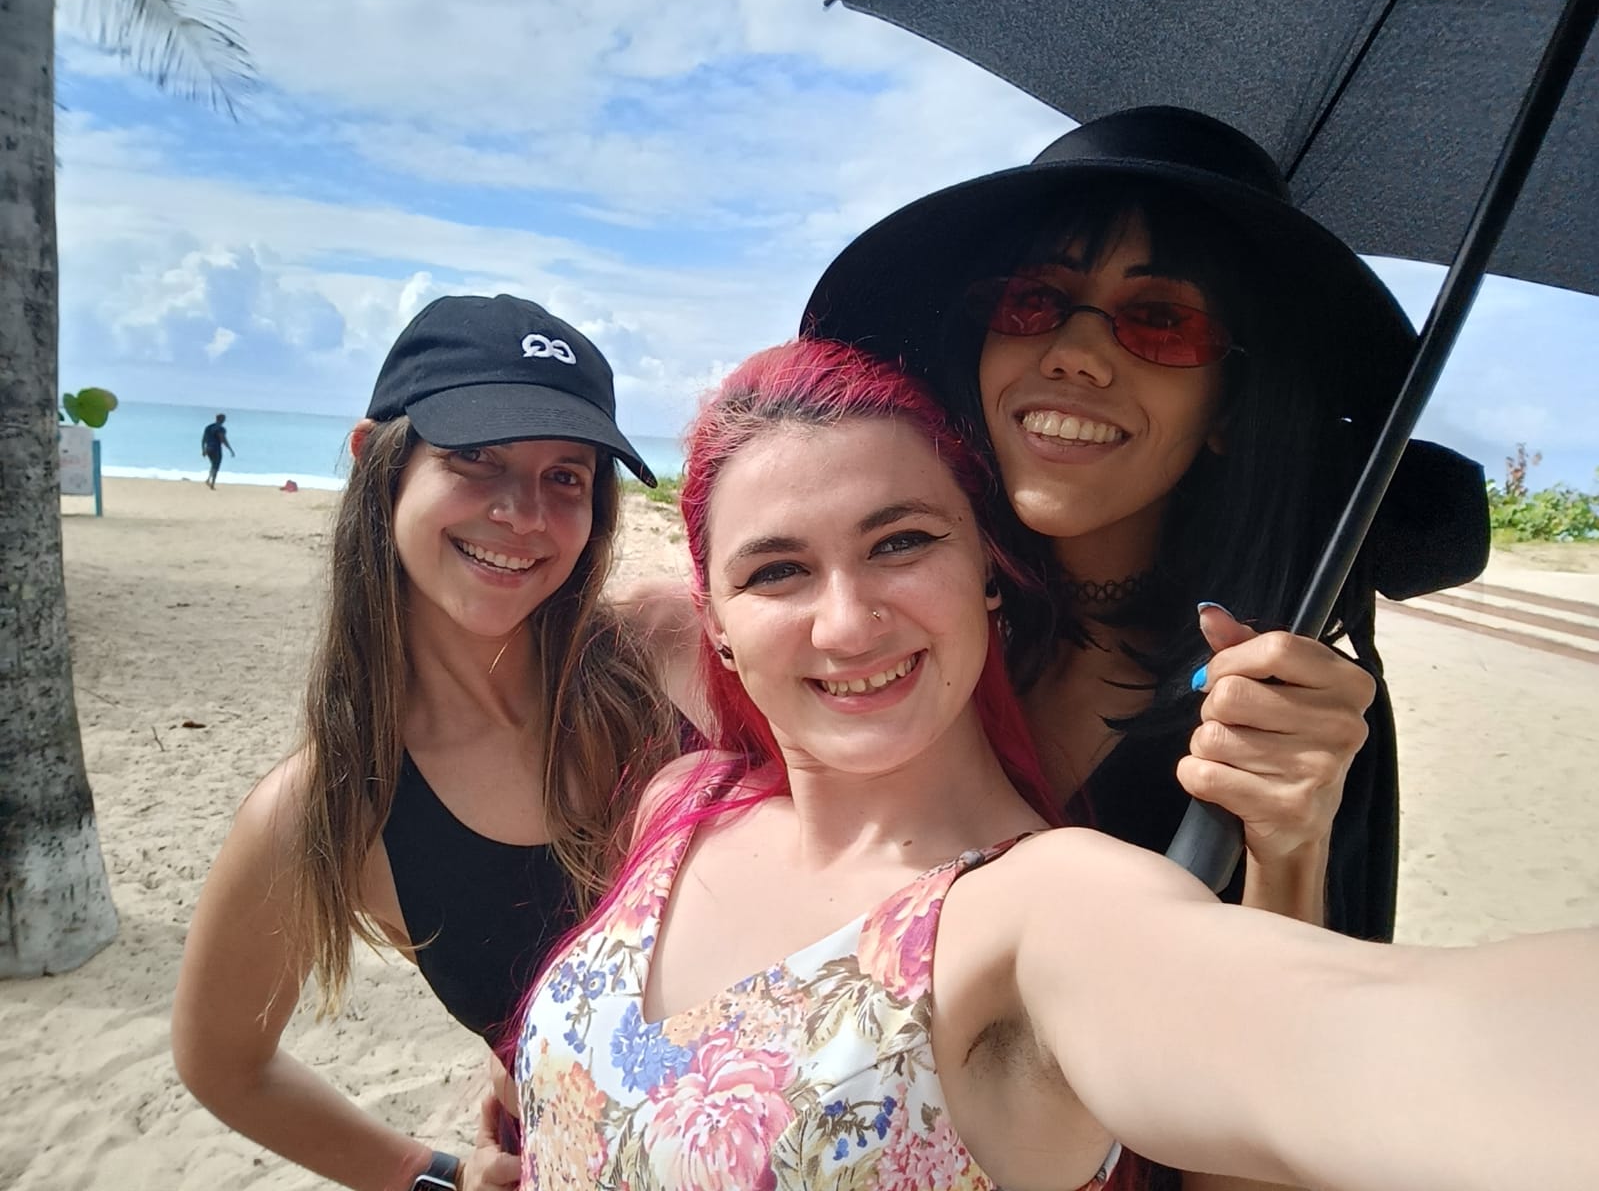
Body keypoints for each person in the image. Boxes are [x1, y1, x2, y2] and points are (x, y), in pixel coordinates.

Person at [506, 339, 1594, 1191]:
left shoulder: (1035, 916)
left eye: (901, 543)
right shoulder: (679, 801)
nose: (847, 624)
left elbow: (1380, 1038)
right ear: (719, 622)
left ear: (989, 568)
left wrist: (1290, 853)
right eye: (780, 570)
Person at [798, 105, 1491, 940]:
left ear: (1231, 407)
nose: (1073, 353)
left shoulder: (1282, 707)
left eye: (1160, 321)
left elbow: (1290, 1039)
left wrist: (1289, 844)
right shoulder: (897, 619)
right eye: (1033, 301)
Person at [171, 295, 679, 1191]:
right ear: (379, 460)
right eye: (475, 459)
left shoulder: (663, 656)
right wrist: (425, 1174)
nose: (523, 512)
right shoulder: (327, 807)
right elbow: (225, 1064)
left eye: (566, 475)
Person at [202, 412, 236, 489]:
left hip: (208, 448)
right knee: (216, 466)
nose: (224, 420)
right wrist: (230, 449)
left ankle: (208, 479)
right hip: (216, 449)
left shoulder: (208, 427)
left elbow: (203, 439)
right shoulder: (221, 429)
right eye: (224, 419)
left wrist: (203, 449)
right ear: (221, 419)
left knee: (213, 465)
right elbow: (223, 439)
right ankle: (212, 484)